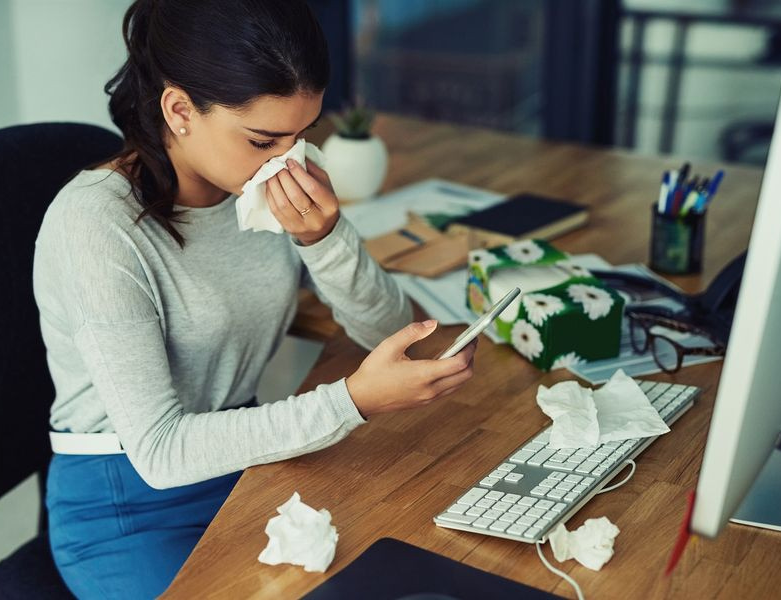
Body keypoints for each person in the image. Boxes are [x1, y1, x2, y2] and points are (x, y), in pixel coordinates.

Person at [32, 0, 477, 597]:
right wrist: (352, 401)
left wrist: (323, 238)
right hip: (128, 500)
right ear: (180, 109)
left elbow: (387, 329)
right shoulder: (97, 227)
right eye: (264, 139)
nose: (286, 160)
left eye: (300, 135)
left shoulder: (267, 178)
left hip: (246, 459)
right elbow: (161, 453)